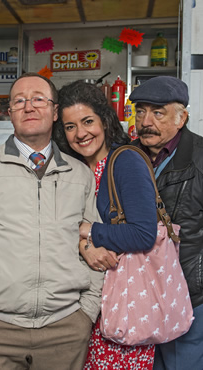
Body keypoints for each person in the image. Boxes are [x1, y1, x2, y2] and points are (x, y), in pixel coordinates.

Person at [0, 72, 104, 370]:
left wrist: (86, 312)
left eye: (39, 99)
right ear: (9, 112)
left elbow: (96, 242)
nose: (29, 106)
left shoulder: (79, 174)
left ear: (54, 112)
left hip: (65, 328)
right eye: (19, 101)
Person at [54, 80, 157, 370]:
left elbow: (142, 234)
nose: (81, 133)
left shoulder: (124, 162)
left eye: (88, 121)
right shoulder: (68, 168)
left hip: (122, 303)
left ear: (105, 119)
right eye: (70, 126)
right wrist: (83, 244)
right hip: (76, 306)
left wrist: (87, 231)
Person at [129, 75, 203, 370]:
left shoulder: (199, 157)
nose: (146, 121)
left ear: (181, 118)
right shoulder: (127, 154)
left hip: (188, 293)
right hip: (138, 292)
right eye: (140, 111)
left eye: (157, 113)